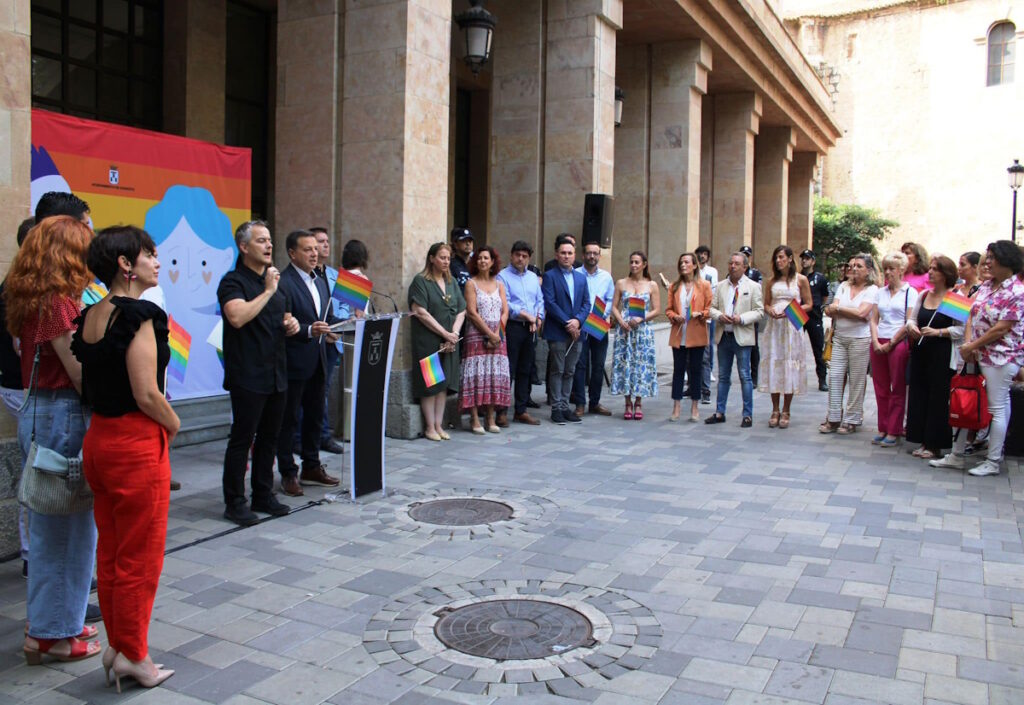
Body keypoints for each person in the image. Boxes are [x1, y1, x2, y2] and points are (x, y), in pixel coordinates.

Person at [72, 226, 180, 690]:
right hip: (135, 445)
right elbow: (147, 393)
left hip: (100, 440)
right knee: (139, 557)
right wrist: (174, 424)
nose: (158, 262)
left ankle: (118, 646)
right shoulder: (140, 314)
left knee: (112, 551)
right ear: (125, 264)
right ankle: (134, 654)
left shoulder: (93, 313)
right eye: (150, 254)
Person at [4, 216, 99, 665]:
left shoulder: (27, 295)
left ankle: (56, 619)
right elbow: (78, 372)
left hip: (41, 411)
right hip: (61, 414)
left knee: (54, 527)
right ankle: (52, 634)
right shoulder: (59, 301)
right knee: (67, 531)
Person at [217, 221, 301, 527]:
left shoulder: (274, 284)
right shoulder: (233, 282)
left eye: (269, 240)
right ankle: (234, 501)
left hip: (277, 372)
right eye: (261, 241)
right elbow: (237, 317)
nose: (268, 246)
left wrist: (291, 325)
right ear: (243, 247)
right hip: (247, 374)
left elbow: (286, 317)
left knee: (271, 438)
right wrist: (267, 291)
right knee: (242, 439)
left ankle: (263, 494)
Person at [931, 242, 1024, 476]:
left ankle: (993, 461)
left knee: (997, 406)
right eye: (988, 257)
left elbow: (1002, 328)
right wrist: (969, 344)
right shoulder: (985, 287)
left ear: (1008, 261)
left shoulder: (1017, 292)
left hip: (1001, 358)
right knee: (965, 398)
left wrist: (973, 345)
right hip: (975, 352)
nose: (988, 262)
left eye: (993, 258)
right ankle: (956, 454)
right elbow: (971, 315)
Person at [276, 230, 342, 496]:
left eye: (316, 249)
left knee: (315, 416)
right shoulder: (284, 281)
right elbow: (281, 321)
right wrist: (308, 331)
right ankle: (288, 472)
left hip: (319, 361)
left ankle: (312, 466)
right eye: (308, 249)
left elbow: (328, 315)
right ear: (293, 253)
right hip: (293, 362)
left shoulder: (321, 281)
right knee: (289, 420)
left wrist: (342, 327)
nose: (315, 254)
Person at [409, 242, 466, 440]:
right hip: (429, 341)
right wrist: (444, 333)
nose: (446, 261)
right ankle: (429, 427)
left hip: (449, 342)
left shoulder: (451, 282)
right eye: (442, 257)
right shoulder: (421, 281)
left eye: (448, 258)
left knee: (443, 385)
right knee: (431, 385)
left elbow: (461, 309)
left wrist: (454, 333)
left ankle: (439, 425)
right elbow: (420, 311)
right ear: (432, 258)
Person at [904, 256, 959, 459]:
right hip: (921, 350)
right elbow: (912, 319)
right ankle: (921, 439)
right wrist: (912, 327)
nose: (931, 272)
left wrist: (939, 332)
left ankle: (935, 444)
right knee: (919, 394)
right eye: (931, 268)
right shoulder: (924, 295)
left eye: (936, 269)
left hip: (941, 353)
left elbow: (961, 330)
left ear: (946, 274)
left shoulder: (955, 297)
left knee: (938, 397)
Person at [819, 254, 878, 434]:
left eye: (859, 266)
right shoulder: (843, 286)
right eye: (851, 265)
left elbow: (862, 314)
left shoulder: (872, 290)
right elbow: (830, 309)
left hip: (860, 339)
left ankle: (852, 419)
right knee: (835, 376)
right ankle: (834, 417)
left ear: (868, 270)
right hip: (839, 337)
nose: (853, 269)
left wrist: (839, 309)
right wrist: (841, 310)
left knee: (857, 380)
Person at [706, 252, 764, 427]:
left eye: (737, 264)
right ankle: (719, 412)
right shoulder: (721, 286)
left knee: (745, 376)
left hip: (742, 336)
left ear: (745, 267)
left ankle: (747, 414)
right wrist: (720, 316)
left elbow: (759, 311)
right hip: (724, 335)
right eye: (730, 263)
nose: (732, 266)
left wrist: (742, 318)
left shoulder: (753, 287)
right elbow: (710, 308)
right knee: (723, 376)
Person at [759, 246, 813, 428]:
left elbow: (809, 304)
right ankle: (775, 408)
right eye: (776, 258)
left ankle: (787, 409)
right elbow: (765, 304)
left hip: (792, 324)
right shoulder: (771, 281)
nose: (778, 261)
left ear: (790, 259)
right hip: (775, 326)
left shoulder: (801, 279)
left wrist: (790, 311)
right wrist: (771, 311)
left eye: (781, 257)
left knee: (790, 364)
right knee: (775, 363)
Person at [868, 252, 918, 447]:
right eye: (886, 268)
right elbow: (873, 319)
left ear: (902, 270)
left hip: (898, 341)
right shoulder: (880, 292)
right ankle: (883, 426)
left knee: (897, 386)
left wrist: (891, 343)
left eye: (892, 268)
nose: (888, 272)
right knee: (880, 386)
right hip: (879, 339)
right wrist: (875, 341)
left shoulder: (910, 292)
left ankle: (894, 429)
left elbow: (908, 321)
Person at [460, 246, 510, 433]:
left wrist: (497, 334)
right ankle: (474, 418)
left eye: (486, 258)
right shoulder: (471, 284)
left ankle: (490, 417)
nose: (482, 261)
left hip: (498, 336)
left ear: (492, 262)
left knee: (492, 376)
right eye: (479, 258)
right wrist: (489, 334)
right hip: (476, 335)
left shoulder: (500, 285)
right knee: (476, 376)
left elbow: (505, 311)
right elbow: (471, 313)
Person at [542, 235, 591, 425]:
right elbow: (550, 302)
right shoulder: (550, 276)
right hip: (558, 331)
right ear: (556, 255)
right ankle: (556, 408)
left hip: (577, 332)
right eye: (563, 253)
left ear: (574, 255)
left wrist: (577, 321)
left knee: (570, 370)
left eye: (569, 253)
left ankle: (564, 405)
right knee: (557, 369)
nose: (566, 256)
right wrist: (568, 323)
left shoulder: (581, 278)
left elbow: (587, 303)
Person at [496, 241, 544, 426]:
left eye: (524, 256)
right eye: (518, 255)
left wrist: (538, 318)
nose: (520, 259)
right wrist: (526, 315)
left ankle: (521, 410)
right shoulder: (503, 276)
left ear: (529, 258)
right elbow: (505, 303)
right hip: (513, 326)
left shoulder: (533, 277)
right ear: (511, 255)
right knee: (508, 370)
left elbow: (540, 300)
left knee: (526, 369)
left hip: (531, 328)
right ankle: (501, 411)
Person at [610, 250, 660, 419]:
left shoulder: (651, 285)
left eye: (637, 262)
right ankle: (627, 401)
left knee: (640, 363)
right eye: (631, 262)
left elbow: (657, 310)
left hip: (643, 329)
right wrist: (620, 321)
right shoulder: (621, 283)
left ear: (644, 264)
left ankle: (638, 401)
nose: (633, 265)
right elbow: (614, 306)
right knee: (626, 363)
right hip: (625, 329)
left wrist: (642, 318)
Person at [310, 226, 346, 455]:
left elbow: (344, 305)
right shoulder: (304, 275)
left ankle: (323, 435)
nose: (324, 246)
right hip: (313, 339)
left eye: (326, 241)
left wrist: (339, 328)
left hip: (334, 340)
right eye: (319, 242)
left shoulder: (335, 274)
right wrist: (325, 331)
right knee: (310, 392)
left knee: (323, 390)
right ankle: (308, 436)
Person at [665, 252, 711, 422]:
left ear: (694, 265)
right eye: (681, 262)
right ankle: (676, 407)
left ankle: (695, 407)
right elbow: (668, 309)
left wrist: (701, 313)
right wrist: (674, 316)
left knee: (696, 370)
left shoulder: (704, 285)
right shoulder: (674, 286)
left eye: (686, 262)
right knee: (678, 370)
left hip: (697, 332)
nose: (683, 265)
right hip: (679, 333)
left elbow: (710, 309)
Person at [572, 242, 615, 416]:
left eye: (595, 253)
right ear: (583, 255)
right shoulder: (575, 274)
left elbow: (611, 299)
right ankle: (580, 403)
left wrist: (602, 314)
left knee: (598, 365)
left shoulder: (606, 277)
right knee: (580, 365)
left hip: (599, 323)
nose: (592, 256)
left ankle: (595, 402)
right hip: (581, 324)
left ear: (599, 256)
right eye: (589, 253)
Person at [800, 249, 831, 391]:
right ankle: (796, 378)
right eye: (803, 258)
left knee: (818, 349)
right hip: (799, 313)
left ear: (813, 261)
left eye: (807, 258)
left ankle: (822, 379)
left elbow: (825, 296)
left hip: (814, 315)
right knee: (795, 347)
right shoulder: (797, 277)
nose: (804, 261)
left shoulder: (820, 278)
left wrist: (818, 307)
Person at [696, 245, 719, 404]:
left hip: (706, 316)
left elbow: (713, 291)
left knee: (707, 349)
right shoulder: (691, 271)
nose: (702, 256)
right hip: (691, 317)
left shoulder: (712, 272)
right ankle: (692, 385)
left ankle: (705, 387)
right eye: (700, 254)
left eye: (705, 254)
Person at [739, 245, 763, 387]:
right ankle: (744, 373)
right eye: (743, 255)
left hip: (751, 313)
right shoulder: (732, 273)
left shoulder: (755, 273)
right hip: (737, 314)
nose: (745, 257)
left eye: (747, 256)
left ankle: (754, 376)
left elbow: (758, 291)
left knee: (753, 346)